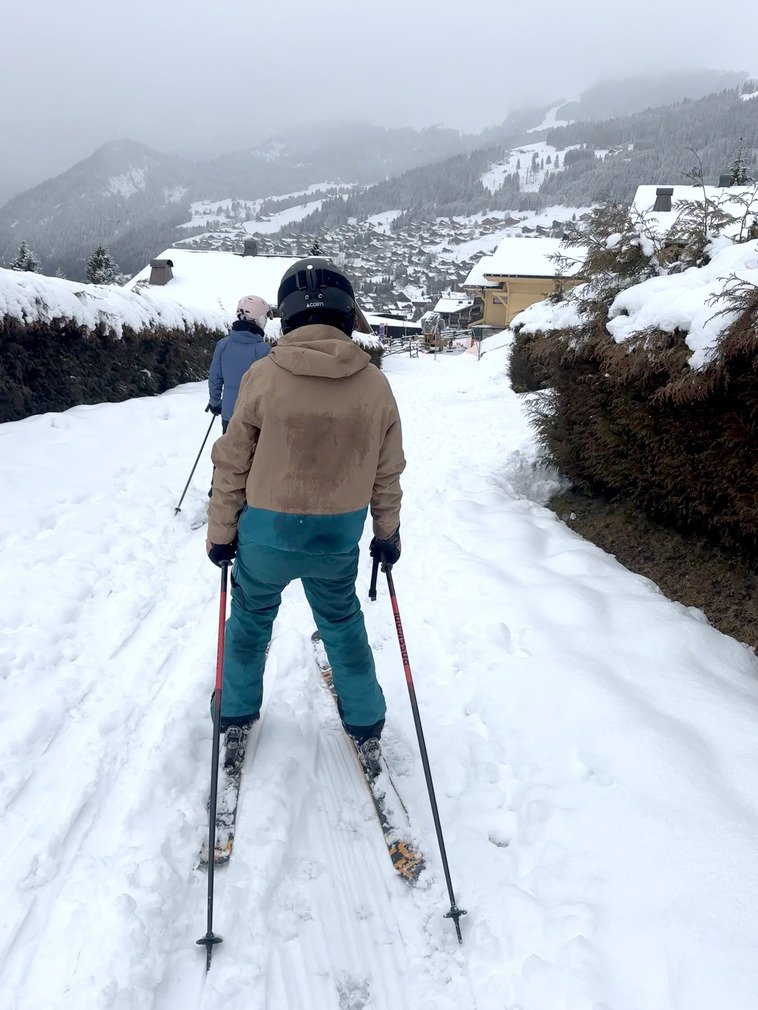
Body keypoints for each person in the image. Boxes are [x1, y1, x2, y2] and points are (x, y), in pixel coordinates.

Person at [206, 258, 404, 771]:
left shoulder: (262, 376)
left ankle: (235, 713)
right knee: (341, 623)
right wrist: (387, 534)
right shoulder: (374, 385)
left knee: (249, 622)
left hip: (265, 534)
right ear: (346, 314)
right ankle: (364, 720)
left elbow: (233, 462)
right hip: (335, 537)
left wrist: (221, 533)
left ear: (286, 316)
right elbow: (387, 472)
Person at [208, 295, 272, 433]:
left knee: (229, 453)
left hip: (228, 413)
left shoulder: (223, 345)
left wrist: (215, 403)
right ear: (260, 319)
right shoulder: (265, 350)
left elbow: (215, 377)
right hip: (254, 417)